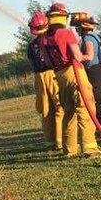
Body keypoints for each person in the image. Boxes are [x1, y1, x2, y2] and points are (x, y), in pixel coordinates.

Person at [43, 4, 101, 158]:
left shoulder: (44, 38)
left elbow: (47, 62)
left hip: (60, 75)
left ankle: (70, 150)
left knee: (68, 112)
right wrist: (86, 57)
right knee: (85, 108)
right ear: (63, 17)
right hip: (75, 73)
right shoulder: (66, 34)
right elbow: (78, 57)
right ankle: (90, 148)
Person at [26, 11, 63, 150]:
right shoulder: (51, 40)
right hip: (53, 74)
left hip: (38, 77)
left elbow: (31, 63)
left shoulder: (31, 46)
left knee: (45, 109)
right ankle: (61, 139)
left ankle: (50, 141)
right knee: (60, 106)